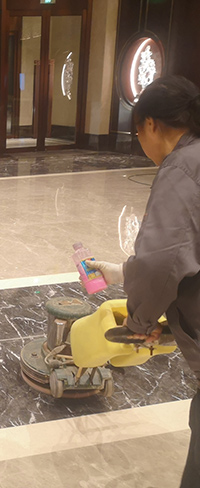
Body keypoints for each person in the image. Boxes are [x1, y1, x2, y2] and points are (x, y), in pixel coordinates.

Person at [87, 75, 200, 487]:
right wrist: (122, 273)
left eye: (138, 134)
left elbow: (160, 264)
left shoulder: (182, 168)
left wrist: (139, 323)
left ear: (151, 124)